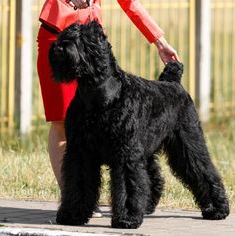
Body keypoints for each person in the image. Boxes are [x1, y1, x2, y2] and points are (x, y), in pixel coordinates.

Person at [37, 0, 179, 217]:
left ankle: (88, 201)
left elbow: (129, 3)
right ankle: (76, 201)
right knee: (63, 122)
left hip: (91, 43)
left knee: (116, 126)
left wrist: (160, 42)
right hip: (58, 34)